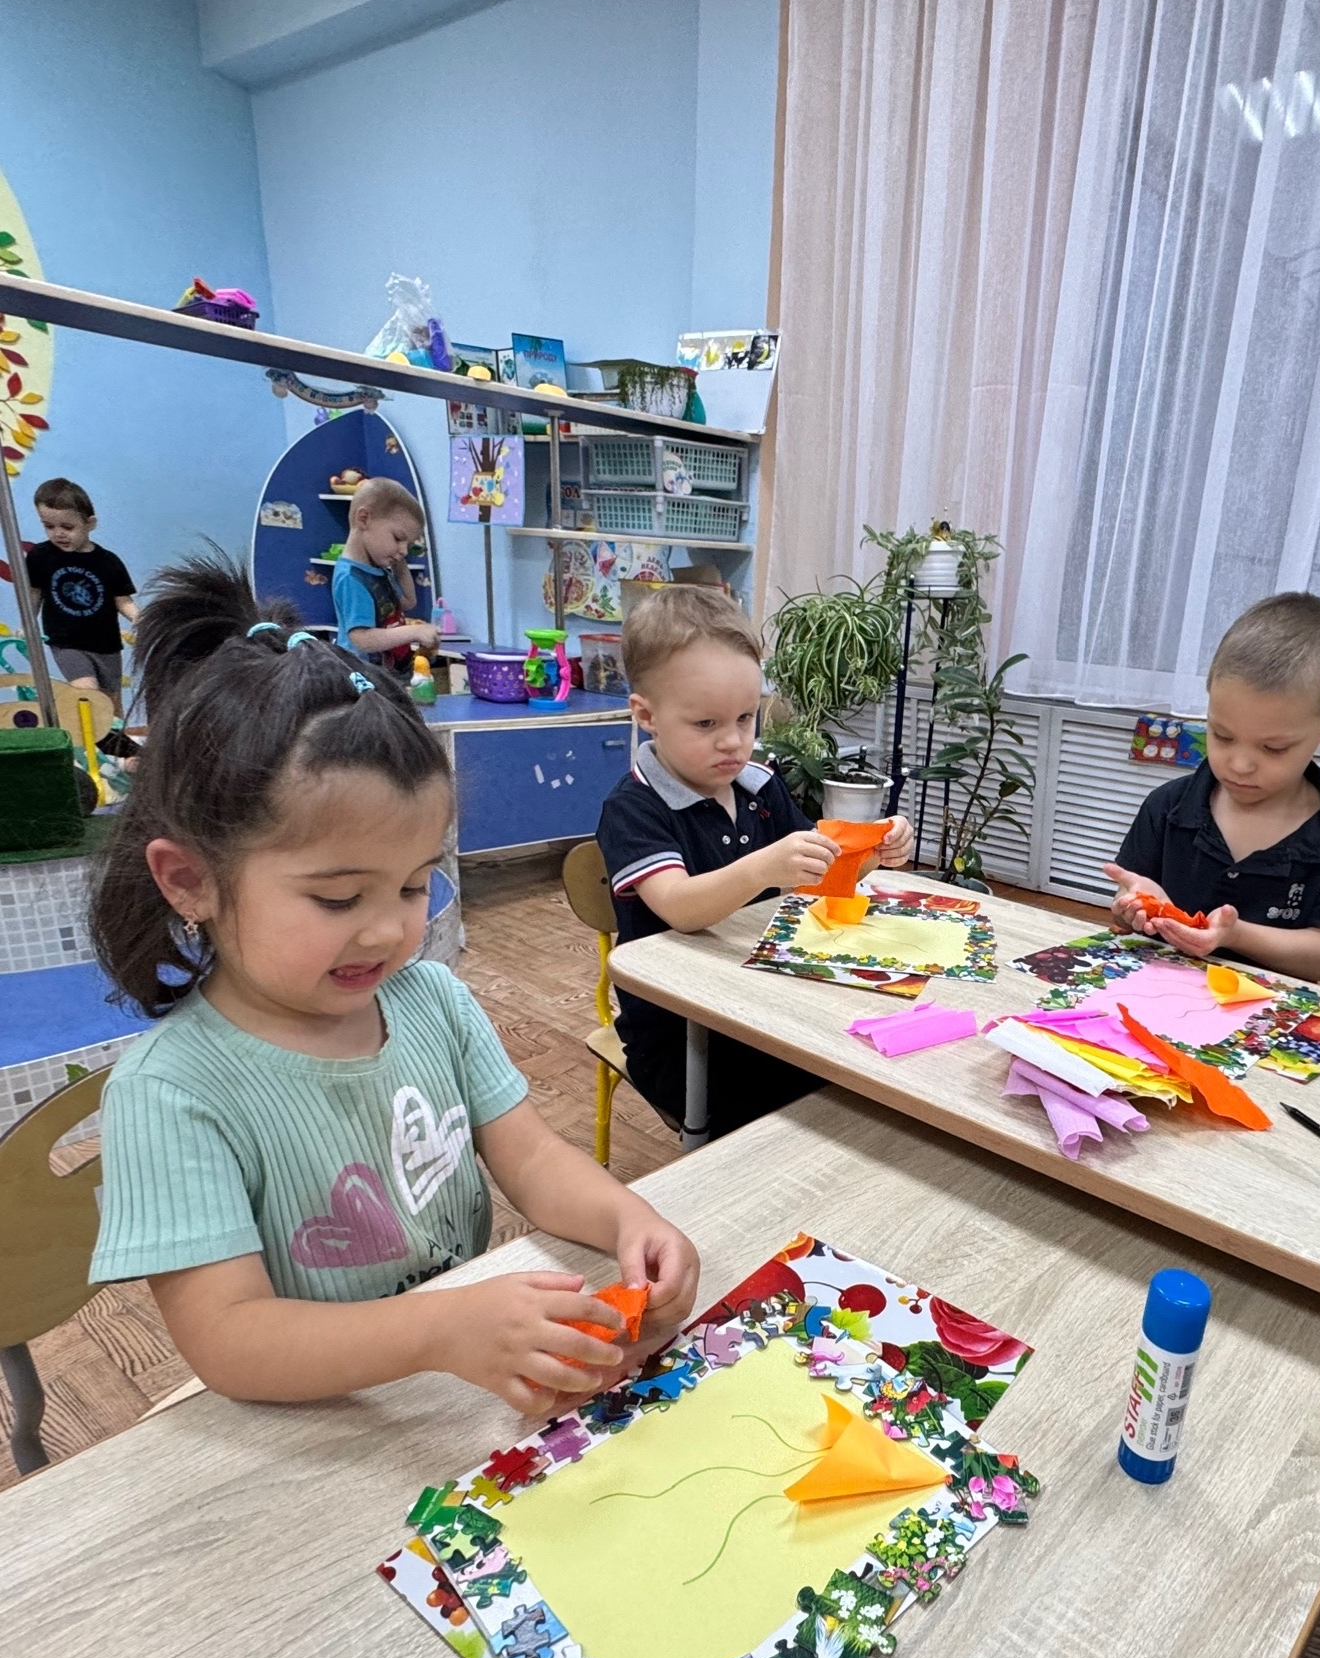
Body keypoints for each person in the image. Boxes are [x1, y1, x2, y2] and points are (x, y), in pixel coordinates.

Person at [87, 554, 698, 1410]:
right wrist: (437, 1331)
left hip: (455, 1394)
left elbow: (530, 1158)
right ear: (191, 881)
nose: (387, 930)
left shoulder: (432, 1002)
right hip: (321, 1422)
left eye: (413, 886)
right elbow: (229, 1340)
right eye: (339, 898)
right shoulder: (170, 1093)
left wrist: (629, 1218)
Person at [597, 584, 915, 1139]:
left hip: (762, 1002)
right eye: (706, 724)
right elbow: (679, 907)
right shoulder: (635, 807)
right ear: (647, 715)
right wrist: (764, 868)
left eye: (745, 719)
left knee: (861, 1082)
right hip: (682, 1032)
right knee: (796, 1117)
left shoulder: (760, 787)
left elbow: (817, 872)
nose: (733, 742)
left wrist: (873, 851)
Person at [1105, 592, 1320, 984]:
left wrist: (1235, 934)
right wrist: (1134, 906)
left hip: (1267, 1009)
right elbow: (1126, 903)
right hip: (1155, 991)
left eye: (1273, 748)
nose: (1239, 765)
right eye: (1222, 735)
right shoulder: (1166, 807)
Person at [25, 477, 136, 712]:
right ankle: (89, 732)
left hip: (106, 644)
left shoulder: (108, 562)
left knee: (111, 704)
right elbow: (34, 593)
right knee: (88, 692)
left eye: (67, 527)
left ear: (90, 523)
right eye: (49, 526)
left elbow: (123, 601)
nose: (58, 534)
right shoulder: (40, 557)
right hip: (66, 643)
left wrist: (142, 619)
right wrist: (27, 624)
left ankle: (114, 736)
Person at [332, 476, 437, 680]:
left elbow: (408, 602)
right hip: (366, 680)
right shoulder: (352, 578)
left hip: (390, 674)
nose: (404, 550)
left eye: (408, 544)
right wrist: (415, 632)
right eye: (398, 538)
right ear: (364, 519)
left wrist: (398, 561)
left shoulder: (378, 569)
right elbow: (362, 639)